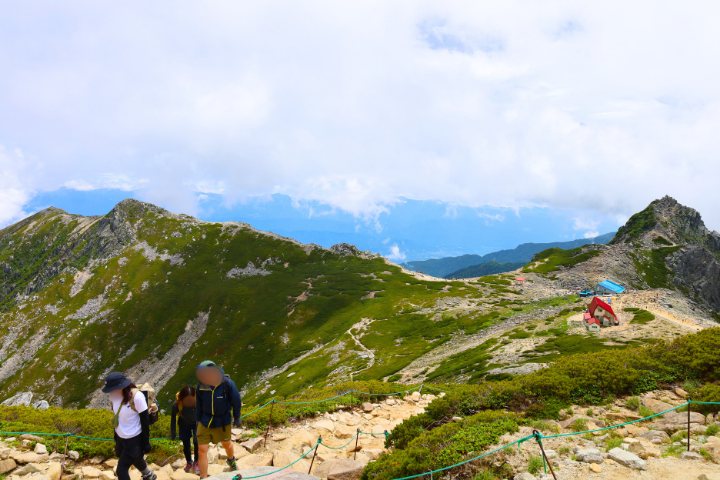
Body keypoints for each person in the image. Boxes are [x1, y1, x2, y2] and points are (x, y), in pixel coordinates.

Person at [102, 373, 157, 480]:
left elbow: (144, 420)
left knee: (121, 470)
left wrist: (146, 443)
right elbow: (118, 416)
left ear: (121, 386)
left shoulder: (137, 397)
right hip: (121, 437)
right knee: (136, 458)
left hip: (133, 438)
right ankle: (149, 475)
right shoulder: (113, 396)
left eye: (113, 388)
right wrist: (116, 435)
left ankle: (148, 475)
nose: (111, 391)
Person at [195, 361, 242, 478]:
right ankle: (204, 477)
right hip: (205, 420)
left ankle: (231, 459)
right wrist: (197, 419)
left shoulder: (227, 383)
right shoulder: (201, 385)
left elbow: (236, 400)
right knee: (202, 450)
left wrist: (237, 417)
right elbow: (199, 403)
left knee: (227, 445)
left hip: (222, 420)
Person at [171, 385, 199, 474]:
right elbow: (173, 418)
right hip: (183, 423)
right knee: (186, 445)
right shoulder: (177, 404)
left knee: (196, 441)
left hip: (196, 422)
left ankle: (196, 462)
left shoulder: (197, 400)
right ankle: (189, 462)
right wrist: (173, 432)